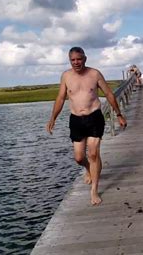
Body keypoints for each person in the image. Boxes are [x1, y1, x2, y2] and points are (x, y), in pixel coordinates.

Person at [46, 47, 127, 205]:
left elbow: (109, 94)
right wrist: (52, 118)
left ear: (85, 58)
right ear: (70, 60)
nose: (76, 62)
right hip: (76, 120)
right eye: (73, 60)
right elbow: (61, 98)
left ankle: (94, 190)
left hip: (94, 117)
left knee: (94, 154)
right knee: (79, 158)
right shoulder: (66, 76)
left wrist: (119, 114)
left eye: (79, 59)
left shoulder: (94, 74)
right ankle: (89, 169)